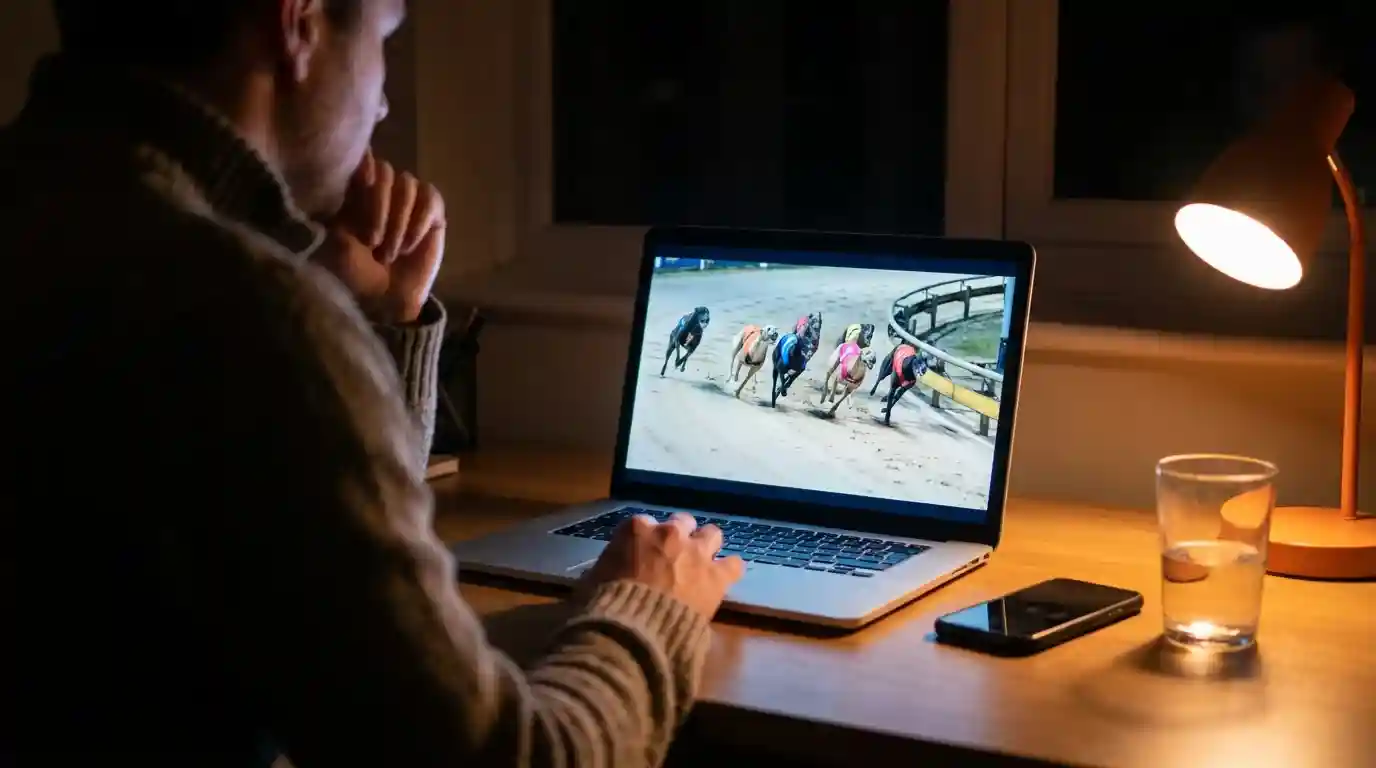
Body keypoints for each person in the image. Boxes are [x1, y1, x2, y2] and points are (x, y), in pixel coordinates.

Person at [1, 1, 743, 765]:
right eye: (386, 39)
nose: (384, 99)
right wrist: (649, 611)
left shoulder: (52, 215)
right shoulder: (240, 311)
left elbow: (334, 626)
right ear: (299, 24)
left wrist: (384, 318)